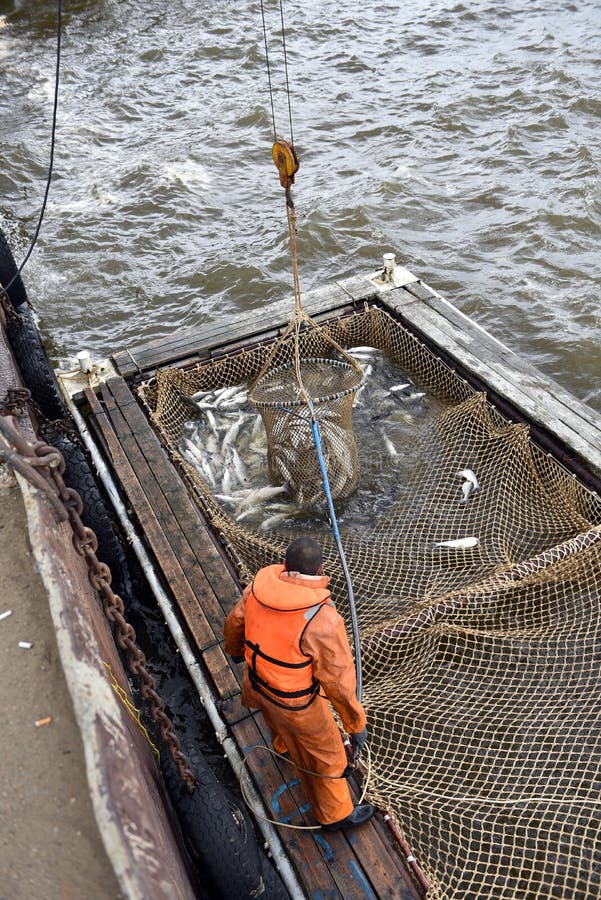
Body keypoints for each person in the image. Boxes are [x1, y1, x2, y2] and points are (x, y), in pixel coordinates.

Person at [224, 535, 375, 832]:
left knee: (278, 725)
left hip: (257, 685)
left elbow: (234, 623)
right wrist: (355, 724)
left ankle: (282, 747)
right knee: (328, 758)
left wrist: (235, 651)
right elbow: (338, 682)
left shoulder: (257, 589)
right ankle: (336, 816)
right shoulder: (322, 619)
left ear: (285, 565)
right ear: (320, 570)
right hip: (296, 705)